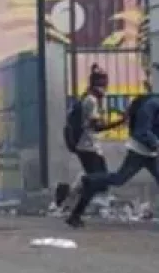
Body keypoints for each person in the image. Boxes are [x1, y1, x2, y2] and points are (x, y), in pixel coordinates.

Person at [66, 73, 159, 233]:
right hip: (139, 150)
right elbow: (141, 131)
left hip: (150, 153)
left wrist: (157, 147)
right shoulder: (153, 103)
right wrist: (158, 147)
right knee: (119, 179)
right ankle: (88, 180)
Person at [54, 65, 126, 214]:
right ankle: (70, 200)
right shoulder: (91, 101)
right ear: (97, 86)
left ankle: (69, 199)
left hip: (89, 145)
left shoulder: (88, 98)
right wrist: (120, 122)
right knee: (99, 179)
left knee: (96, 178)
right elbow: (97, 126)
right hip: (86, 146)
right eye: (103, 85)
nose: (105, 89)